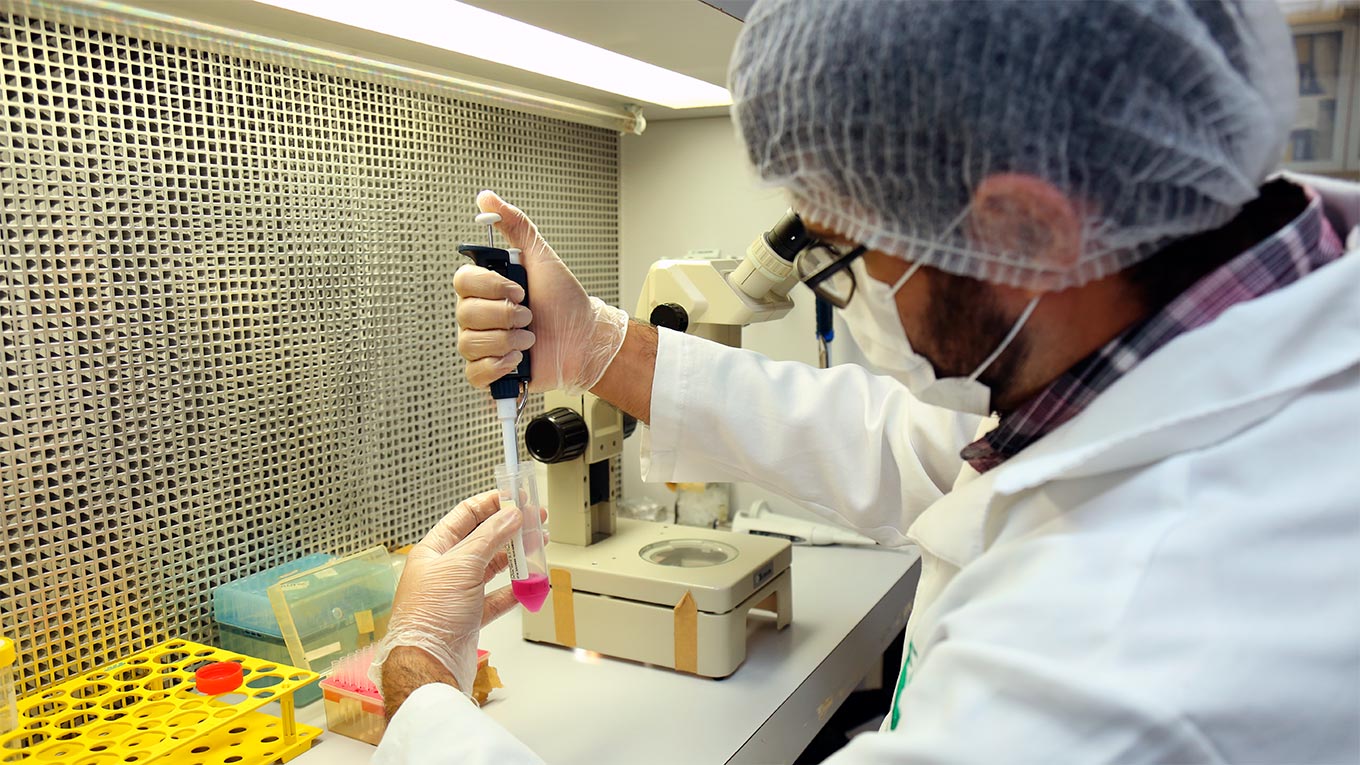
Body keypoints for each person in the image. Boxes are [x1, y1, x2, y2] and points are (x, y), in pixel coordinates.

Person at [369, 1, 1360, 762]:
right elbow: (927, 451)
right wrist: (591, 345)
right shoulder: (1203, 350)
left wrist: (417, 680)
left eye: (848, 250)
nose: (852, 287)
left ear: (1026, 229)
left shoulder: (1133, 660)